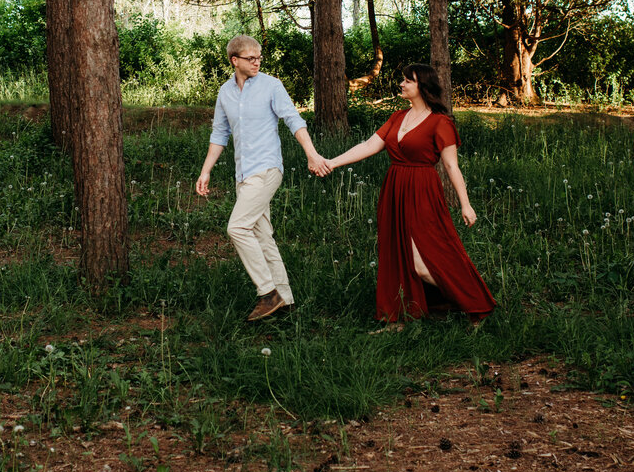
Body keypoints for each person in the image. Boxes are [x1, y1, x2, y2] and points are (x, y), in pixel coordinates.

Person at [326, 63, 495, 324]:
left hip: (423, 192)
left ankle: (473, 303)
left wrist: (466, 204)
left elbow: (451, 166)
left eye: (408, 81)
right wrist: (332, 162)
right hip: (394, 190)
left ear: (422, 87)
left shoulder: (441, 122)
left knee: (425, 260)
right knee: (396, 254)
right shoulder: (397, 117)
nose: (402, 84)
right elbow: (369, 146)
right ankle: (403, 315)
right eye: (403, 80)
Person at [195, 35, 331, 322]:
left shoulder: (271, 85)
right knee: (261, 235)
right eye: (250, 58)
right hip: (243, 174)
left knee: (237, 228)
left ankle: (268, 293)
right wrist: (206, 170)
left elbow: (294, 119)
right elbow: (219, 134)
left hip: (267, 170)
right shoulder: (225, 93)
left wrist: (311, 154)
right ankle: (286, 302)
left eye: (259, 58)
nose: (257, 62)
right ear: (235, 60)